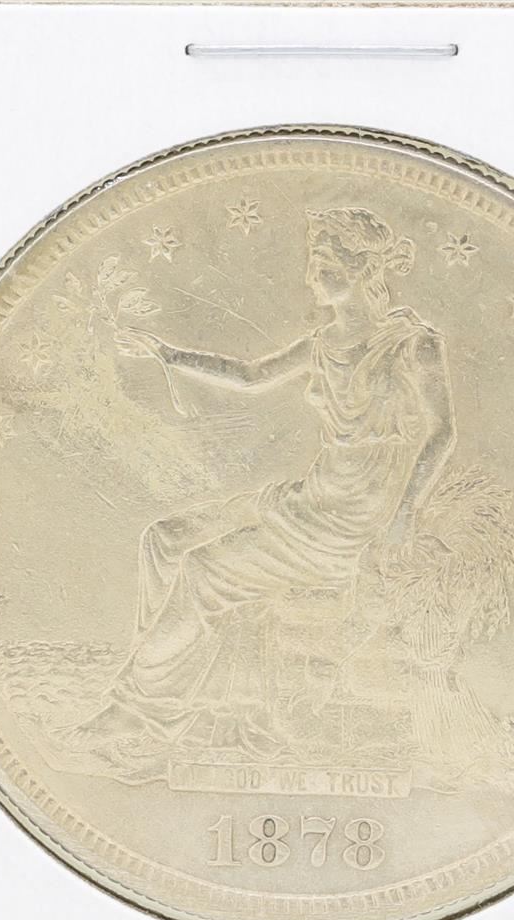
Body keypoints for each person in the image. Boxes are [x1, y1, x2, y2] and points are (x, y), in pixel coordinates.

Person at [73, 207, 457, 764]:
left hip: (353, 519)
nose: (311, 276)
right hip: (309, 499)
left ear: (361, 270)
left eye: (323, 264)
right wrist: (170, 355)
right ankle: (183, 692)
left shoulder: (413, 345)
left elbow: (442, 432)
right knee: (165, 537)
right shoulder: (324, 343)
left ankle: (140, 707)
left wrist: (404, 515)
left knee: (204, 569)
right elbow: (252, 376)